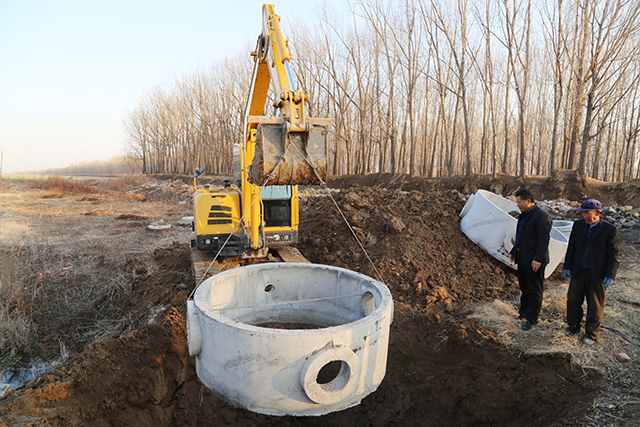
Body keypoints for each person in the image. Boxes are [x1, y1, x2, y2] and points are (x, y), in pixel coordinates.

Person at [562, 199, 620, 345]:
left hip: (597, 274)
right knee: (573, 301)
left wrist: (610, 275)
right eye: (583, 213)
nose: (585, 216)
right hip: (578, 271)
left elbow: (613, 255)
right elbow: (572, 248)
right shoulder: (578, 225)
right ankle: (573, 327)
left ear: (598, 212)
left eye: (588, 213)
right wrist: (567, 266)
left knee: (595, 305)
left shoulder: (610, 230)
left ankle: (591, 334)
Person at [509, 189, 553, 331]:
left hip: (534, 260)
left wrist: (538, 259)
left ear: (528, 201)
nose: (517, 205)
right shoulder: (524, 215)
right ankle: (523, 313)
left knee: (534, 290)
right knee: (525, 288)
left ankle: (532, 319)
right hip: (522, 258)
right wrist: (514, 251)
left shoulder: (542, 217)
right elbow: (520, 235)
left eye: (519, 202)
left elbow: (543, 241)